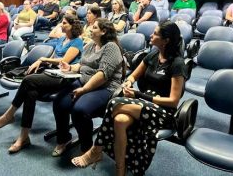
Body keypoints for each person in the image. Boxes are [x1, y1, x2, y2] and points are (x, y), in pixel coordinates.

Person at [72, 21, 187, 176]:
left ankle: (95, 150)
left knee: (114, 102)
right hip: (144, 104)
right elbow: (133, 75)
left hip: (163, 111)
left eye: (156, 33)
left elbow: (173, 101)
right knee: (119, 120)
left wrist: (138, 95)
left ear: (166, 41)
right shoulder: (153, 54)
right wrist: (128, 82)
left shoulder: (177, 63)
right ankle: (120, 170)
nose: (151, 35)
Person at [0, 15, 84, 154]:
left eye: (64, 23)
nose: (61, 25)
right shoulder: (62, 39)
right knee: (30, 93)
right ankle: (23, 137)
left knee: (28, 80)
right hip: (52, 73)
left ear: (72, 26)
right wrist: (42, 62)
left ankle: (9, 115)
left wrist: (42, 58)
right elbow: (52, 59)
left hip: (66, 77)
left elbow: (64, 61)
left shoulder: (77, 42)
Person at [52, 18, 123, 156]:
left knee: (79, 110)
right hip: (84, 81)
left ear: (103, 32)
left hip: (105, 87)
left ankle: (87, 148)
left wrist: (84, 90)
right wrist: (70, 67)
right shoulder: (91, 45)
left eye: (95, 28)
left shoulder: (111, 47)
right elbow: (83, 65)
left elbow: (103, 75)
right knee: (59, 102)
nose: (90, 29)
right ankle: (64, 138)